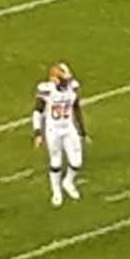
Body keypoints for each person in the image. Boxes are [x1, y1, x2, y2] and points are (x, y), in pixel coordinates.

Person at [31, 61, 86, 207]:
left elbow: (77, 109)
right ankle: (56, 191)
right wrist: (37, 133)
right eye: (63, 80)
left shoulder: (73, 88)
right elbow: (37, 112)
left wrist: (82, 131)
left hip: (68, 128)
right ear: (55, 79)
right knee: (55, 162)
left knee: (77, 162)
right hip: (53, 130)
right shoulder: (47, 90)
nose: (66, 83)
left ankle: (68, 182)